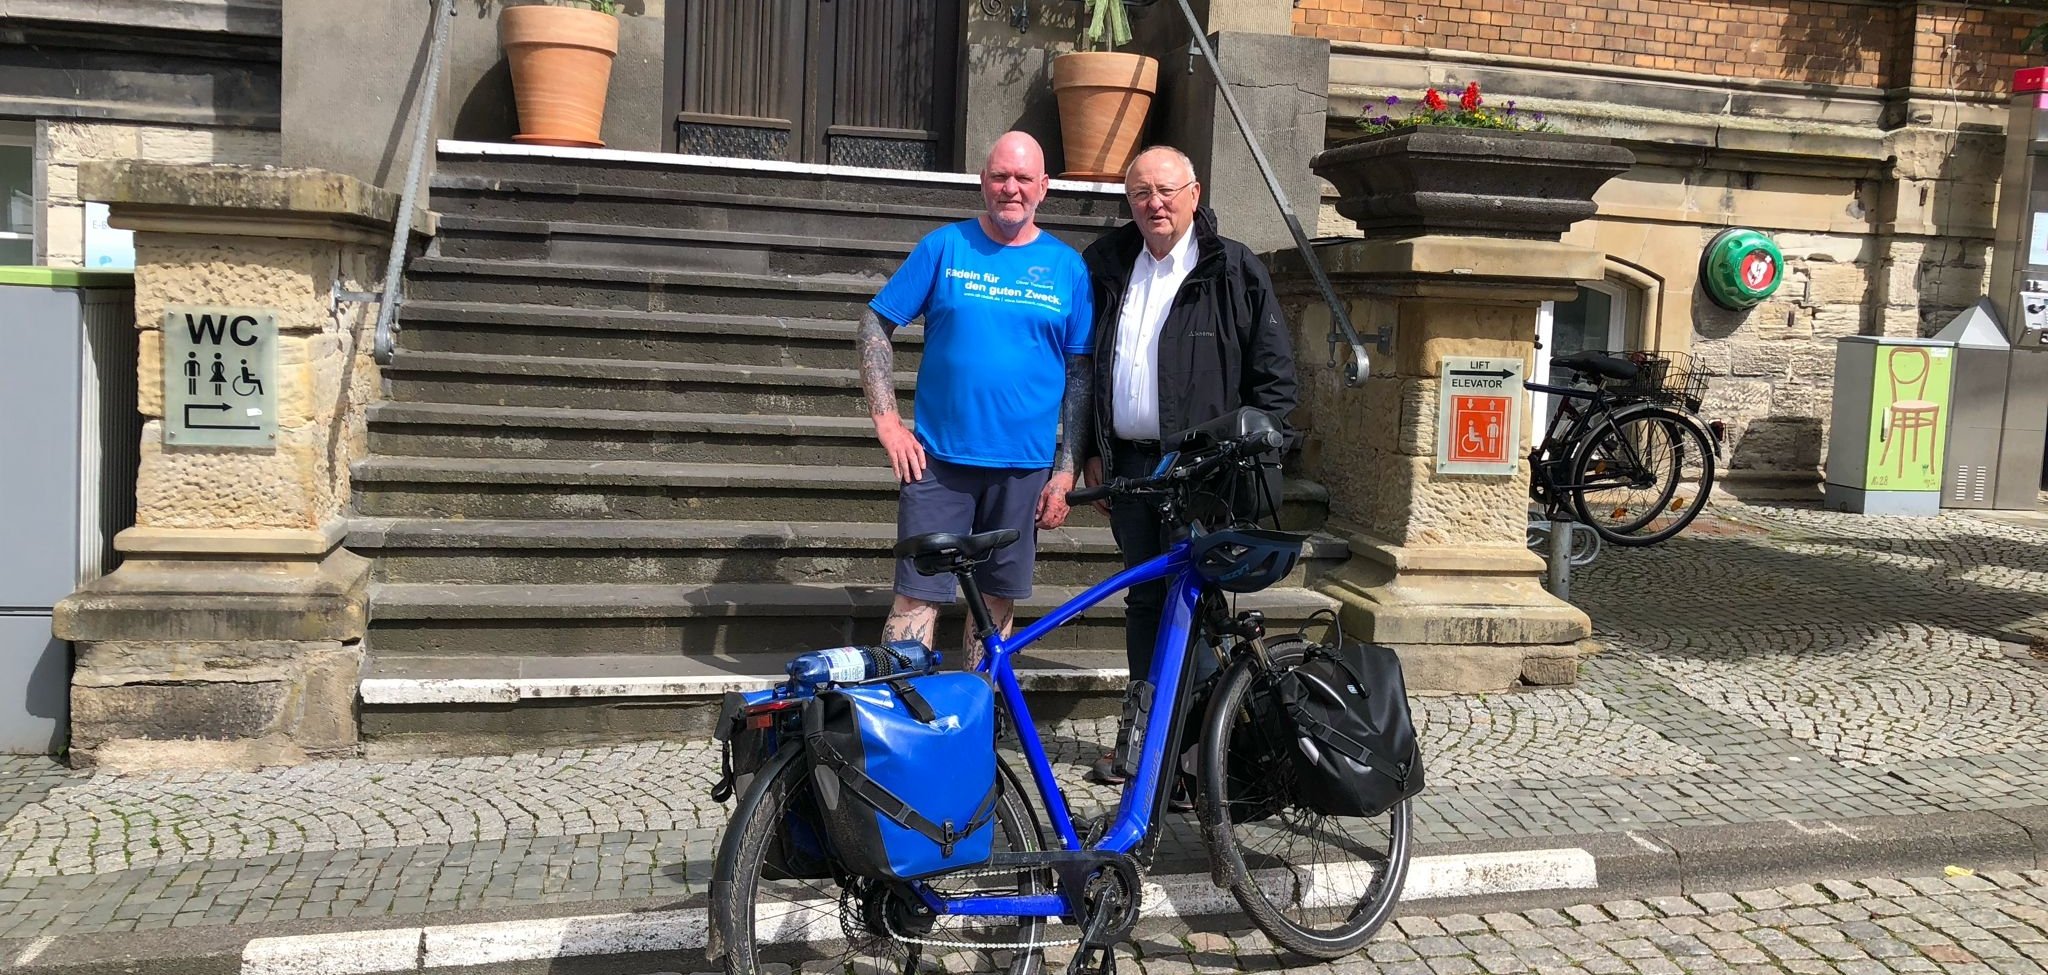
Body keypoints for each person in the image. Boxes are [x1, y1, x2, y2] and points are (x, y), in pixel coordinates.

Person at [1080, 146, 1299, 786]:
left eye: (1168, 191)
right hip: (1131, 469)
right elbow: (1086, 365)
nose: (1156, 204)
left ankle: (1205, 753)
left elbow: (1276, 382)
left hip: (1205, 473)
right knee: (1147, 603)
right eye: (1142, 192)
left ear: (1194, 194)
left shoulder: (1233, 268)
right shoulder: (1106, 263)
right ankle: (1145, 743)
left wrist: (1247, 453)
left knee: (1194, 607)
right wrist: (1092, 447)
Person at [856, 131, 1095, 668]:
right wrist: (888, 422)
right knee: (917, 594)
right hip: (938, 461)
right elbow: (875, 321)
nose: (1011, 188)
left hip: (1024, 468)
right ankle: (902, 726)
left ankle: (979, 723)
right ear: (983, 181)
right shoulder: (945, 246)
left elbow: (1080, 373)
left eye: (1023, 178)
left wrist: (1066, 469)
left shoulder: (1068, 268)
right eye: (1000, 176)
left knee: (995, 602)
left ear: (1044, 188)